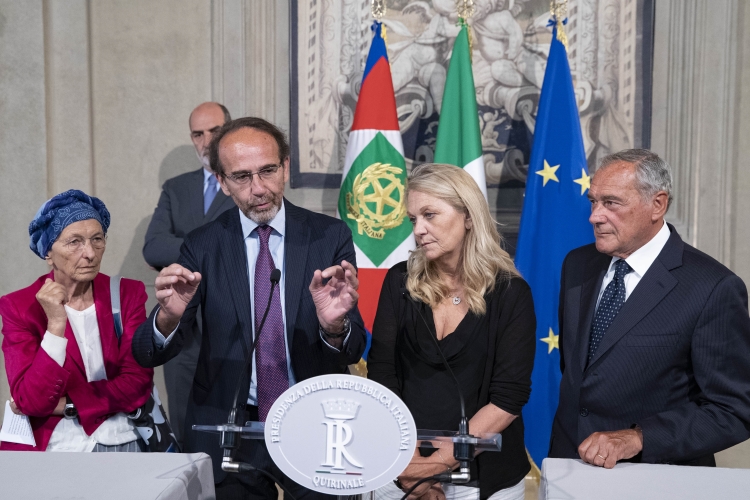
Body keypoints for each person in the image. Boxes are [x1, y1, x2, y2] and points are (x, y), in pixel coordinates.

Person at [131, 117, 367, 499]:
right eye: (241, 177)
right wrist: (169, 318)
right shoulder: (203, 244)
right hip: (231, 428)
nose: (258, 188)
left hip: (315, 424)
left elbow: (352, 350)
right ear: (222, 182)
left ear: (285, 167)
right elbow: (147, 352)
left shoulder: (329, 236)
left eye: (268, 171)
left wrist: (334, 327)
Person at [549, 149, 750, 468]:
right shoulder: (577, 264)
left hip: (656, 476)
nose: (595, 216)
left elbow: (733, 409)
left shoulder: (713, 287)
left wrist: (639, 438)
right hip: (569, 467)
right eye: (593, 201)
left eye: (611, 203)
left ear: (657, 204)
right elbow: (579, 374)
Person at [367, 163, 536, 500]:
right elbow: (383, 376)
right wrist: (409, 466)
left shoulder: (510, 293)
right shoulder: (399, 282)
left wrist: (435, 465)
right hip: (400, 466)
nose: (419, 230)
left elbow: (508, 398)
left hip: (485, 477)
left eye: (430, 215)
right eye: (413, 219)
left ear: (468, 216)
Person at [0, 190, 153, 452]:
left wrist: (69, 405)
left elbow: (137, 382)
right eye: (74, 242)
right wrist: (55, 326)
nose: (90, 253)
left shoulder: (127, 293)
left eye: (97, 239)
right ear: (48, 252)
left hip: (122, 438)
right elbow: (31, 401)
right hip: (55, 447)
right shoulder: (19, 306)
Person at [142, 101, 235, 446]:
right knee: (183, 429)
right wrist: (214, 248)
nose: (206, 141)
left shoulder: (246, 183)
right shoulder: (176, 188)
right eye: (198, 134)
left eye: (214, 131)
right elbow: (153, 247)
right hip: (182, 332)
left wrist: (184, 250)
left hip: (234, 326)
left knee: (232, 434)